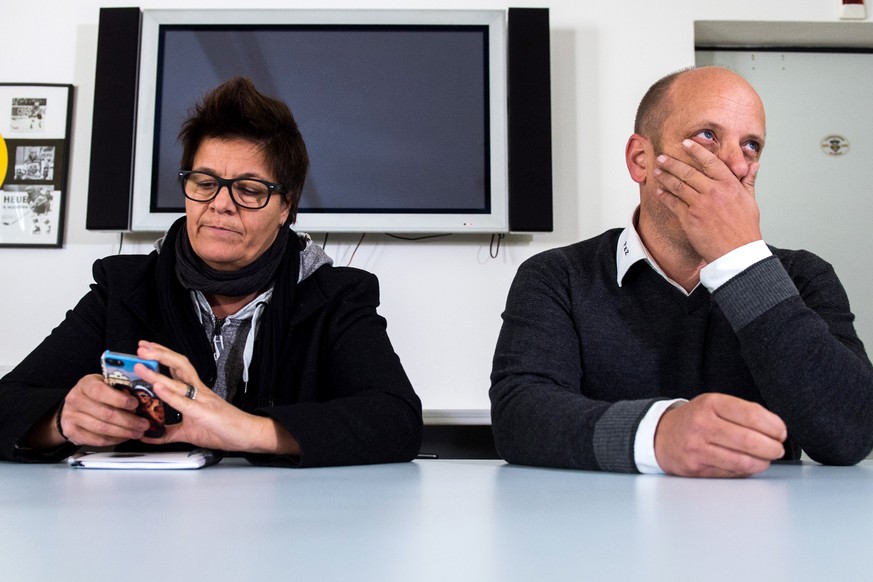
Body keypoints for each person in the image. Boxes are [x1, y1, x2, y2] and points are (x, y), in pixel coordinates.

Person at [0, 77, 423, 467]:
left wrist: (242, 429)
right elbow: (8, 402)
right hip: (144, 524)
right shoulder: (124, 289)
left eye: (250, 190)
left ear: (286, 207)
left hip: (290, 527)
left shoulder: (337, 295)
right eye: (205, 183)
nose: (221, 204)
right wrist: (60, 421)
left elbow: (396, 420)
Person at [490, 66, 873, 478]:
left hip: (761, 528)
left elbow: (850, 434)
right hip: (601, 529)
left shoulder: (803, 277)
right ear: (641, 159)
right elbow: (519, 415)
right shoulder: (559, 275)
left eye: (750, 146)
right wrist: (658, 434)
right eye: (708, 136)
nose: (732, 164)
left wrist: (741, 257)